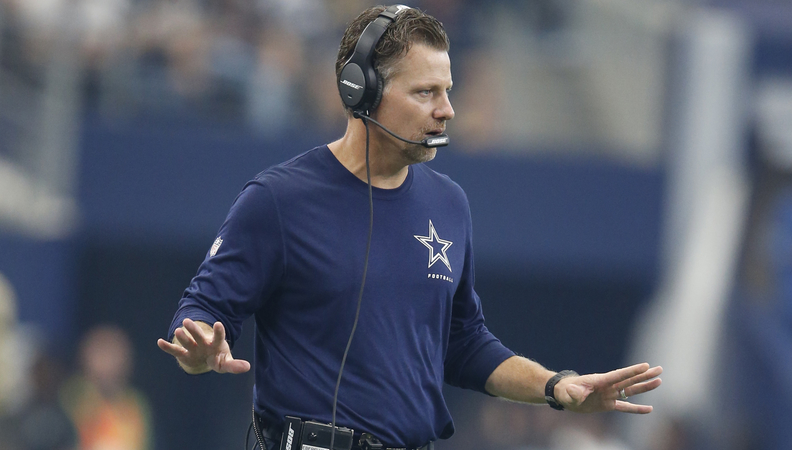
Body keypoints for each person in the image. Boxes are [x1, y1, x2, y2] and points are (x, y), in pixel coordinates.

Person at [157, 5, 662, 450]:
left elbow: (463, 342)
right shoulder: (277, 200)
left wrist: (556, 387)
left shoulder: (449, 203)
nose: (448, 110)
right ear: (362, 90)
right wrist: (199, 349)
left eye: (448, 91)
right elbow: (201, 313)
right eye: (426, 92)